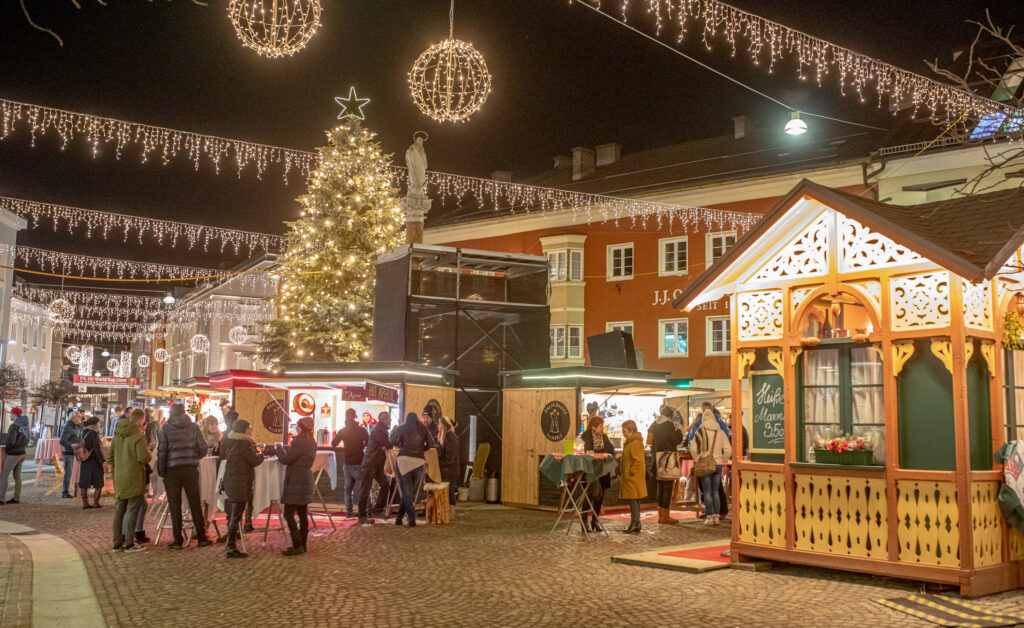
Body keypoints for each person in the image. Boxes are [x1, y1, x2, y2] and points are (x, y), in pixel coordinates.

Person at [157, 403, 211, 549]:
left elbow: (162, 451)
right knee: (195, 503)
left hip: (172, 471)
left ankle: (177, 539)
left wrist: (161, 471)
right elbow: (203, 447)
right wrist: (194, 457)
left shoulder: (166, 428)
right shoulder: (193, 427)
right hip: (190, 469)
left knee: (175, 505)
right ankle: (201, 537)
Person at [110, 409, 151, 552]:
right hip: (134, 477)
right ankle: (129, 542)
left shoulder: (117, 435)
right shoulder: (138, 436)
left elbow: (110, 457)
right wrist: (148, 454)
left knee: (120, 511)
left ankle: (116, 542)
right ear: (140, 420)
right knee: (132, 510)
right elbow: (143, 458)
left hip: (120, 478)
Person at [222, 419, 263, 558]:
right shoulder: (244, 443)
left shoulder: (231, 442)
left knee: (235, 515)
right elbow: (254, 460)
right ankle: (231, 547)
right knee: (236, 516)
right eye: (249, 428)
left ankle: (230, 545)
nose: (250, 430)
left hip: (232, 481)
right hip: (239, 483)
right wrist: (262, 455)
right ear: (243, 430)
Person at [275, 417, 315, 556]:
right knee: (303, 514)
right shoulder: (312, 441)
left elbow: (286, 459)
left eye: (297, 426)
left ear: (300, 427)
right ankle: (303, 544)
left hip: (296, 480)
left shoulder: (298, 441)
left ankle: (297, 544)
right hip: (306, 478)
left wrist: (278, 449)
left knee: (288, 513)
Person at [689, 407, 732, 527]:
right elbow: (729, 450)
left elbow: (693, 449)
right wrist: (722, 459)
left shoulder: (700, 432)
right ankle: (717, 517)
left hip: (705, 465)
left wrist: (698, 459)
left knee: (707, 492)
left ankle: (709, 516)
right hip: (718, 465)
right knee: (715, 491)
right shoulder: (721, 432)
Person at [389, 412, 430, 527]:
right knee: (409, 491)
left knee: (406, 491)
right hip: (419, 462)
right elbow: (431, 444)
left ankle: (411, 518)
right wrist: (421, 449)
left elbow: (392, 442)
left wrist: (400, 441)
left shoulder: (403, 427)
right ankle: (398, 518)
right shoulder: (423, 428)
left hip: (404, 460)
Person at [647, 405, 683, 525]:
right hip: (668, 459)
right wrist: (678, 430)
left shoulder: (655, 425)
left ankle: (661, 515)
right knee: (667, 486)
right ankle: (666, 516)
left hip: (657, 458)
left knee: (660, 487)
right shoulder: (668, 425)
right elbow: (676, 440)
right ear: (670, 416)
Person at [332, 408, 368, 518]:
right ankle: (366, 510)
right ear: (355, 416)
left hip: (347, 462)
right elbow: (368, 443)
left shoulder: (343, 430)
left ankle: (349, 512)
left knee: (348, 489)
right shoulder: (362, 430)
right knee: (364, 487)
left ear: (346, 417)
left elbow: (333, 443)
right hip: (359, 461)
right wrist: (361, 446)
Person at [580, 415, 614, 531]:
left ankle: (595, 520)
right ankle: (584, 520)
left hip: (603, 470)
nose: (602, 428)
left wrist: (603, 453)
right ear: (594, 426)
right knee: (589, 495)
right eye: (600, 426)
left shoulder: (604, 437)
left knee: (600, 496)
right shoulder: (586, 436)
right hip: (590, 470)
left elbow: (611, 450)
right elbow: (586, 451)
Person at [357, 411, 391, 525]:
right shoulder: (379, 430)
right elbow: (386, 443)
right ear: (384, 420)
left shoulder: (380, 429)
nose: (390, 421)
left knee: (385, 485)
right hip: (371, 463)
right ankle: (362, 514)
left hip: (376, 464)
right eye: (389, 419)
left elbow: (385, 444)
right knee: (365, 489)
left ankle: (377, 509)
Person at [619, 420, 647, 534]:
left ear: (631, 431)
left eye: (624, 431)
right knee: (634, 500)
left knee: (633, 500)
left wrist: (631, 471)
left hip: (632, 478)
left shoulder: (634, 443)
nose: (623, 433)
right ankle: (636, 523)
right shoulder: (632, 442)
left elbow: (639, 460)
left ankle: (634, 523)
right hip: (632, 477)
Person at [0, 408, 29, 505]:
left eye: (11, 414)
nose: (10, 416)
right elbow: (27, 440)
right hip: (22, 452)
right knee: (17, 475)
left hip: (14, 453)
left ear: (15, 414)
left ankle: (1, 498)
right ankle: (16, 497)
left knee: (4, 474)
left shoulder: (14, 426)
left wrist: (7, 450)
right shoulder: (25, 426)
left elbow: (11, 441)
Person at [78, 416, 106, 508]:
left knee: (84, 483)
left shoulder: (83, 432)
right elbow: (97, 450)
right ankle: (96, 502)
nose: (100, 425)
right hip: (94, 461)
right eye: (98, 423)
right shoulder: (93, 434)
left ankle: (85, 503)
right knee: (99, 483)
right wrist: (102, 461)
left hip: (84, 460)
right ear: (94, 424)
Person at [58, 411, 84, 498]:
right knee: (68, 473)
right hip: (69, 453)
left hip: (77, 453)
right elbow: (62, 440)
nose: (81, 418)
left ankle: (77, 491)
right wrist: (73, 446)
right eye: (79, 417)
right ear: (73, 418)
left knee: (77, 472)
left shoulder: (78, 426)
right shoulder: (68, 427)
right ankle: (65, 492)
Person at [437, 416, 460, 507]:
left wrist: (438, 462)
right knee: (447, 491)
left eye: (439, 424)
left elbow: (449, 459)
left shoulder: (452, 439)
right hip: (447, 470)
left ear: (444, 426)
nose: (438, 426)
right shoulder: (443, 436)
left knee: (450, 492)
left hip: (451, 470)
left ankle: (451, 513)